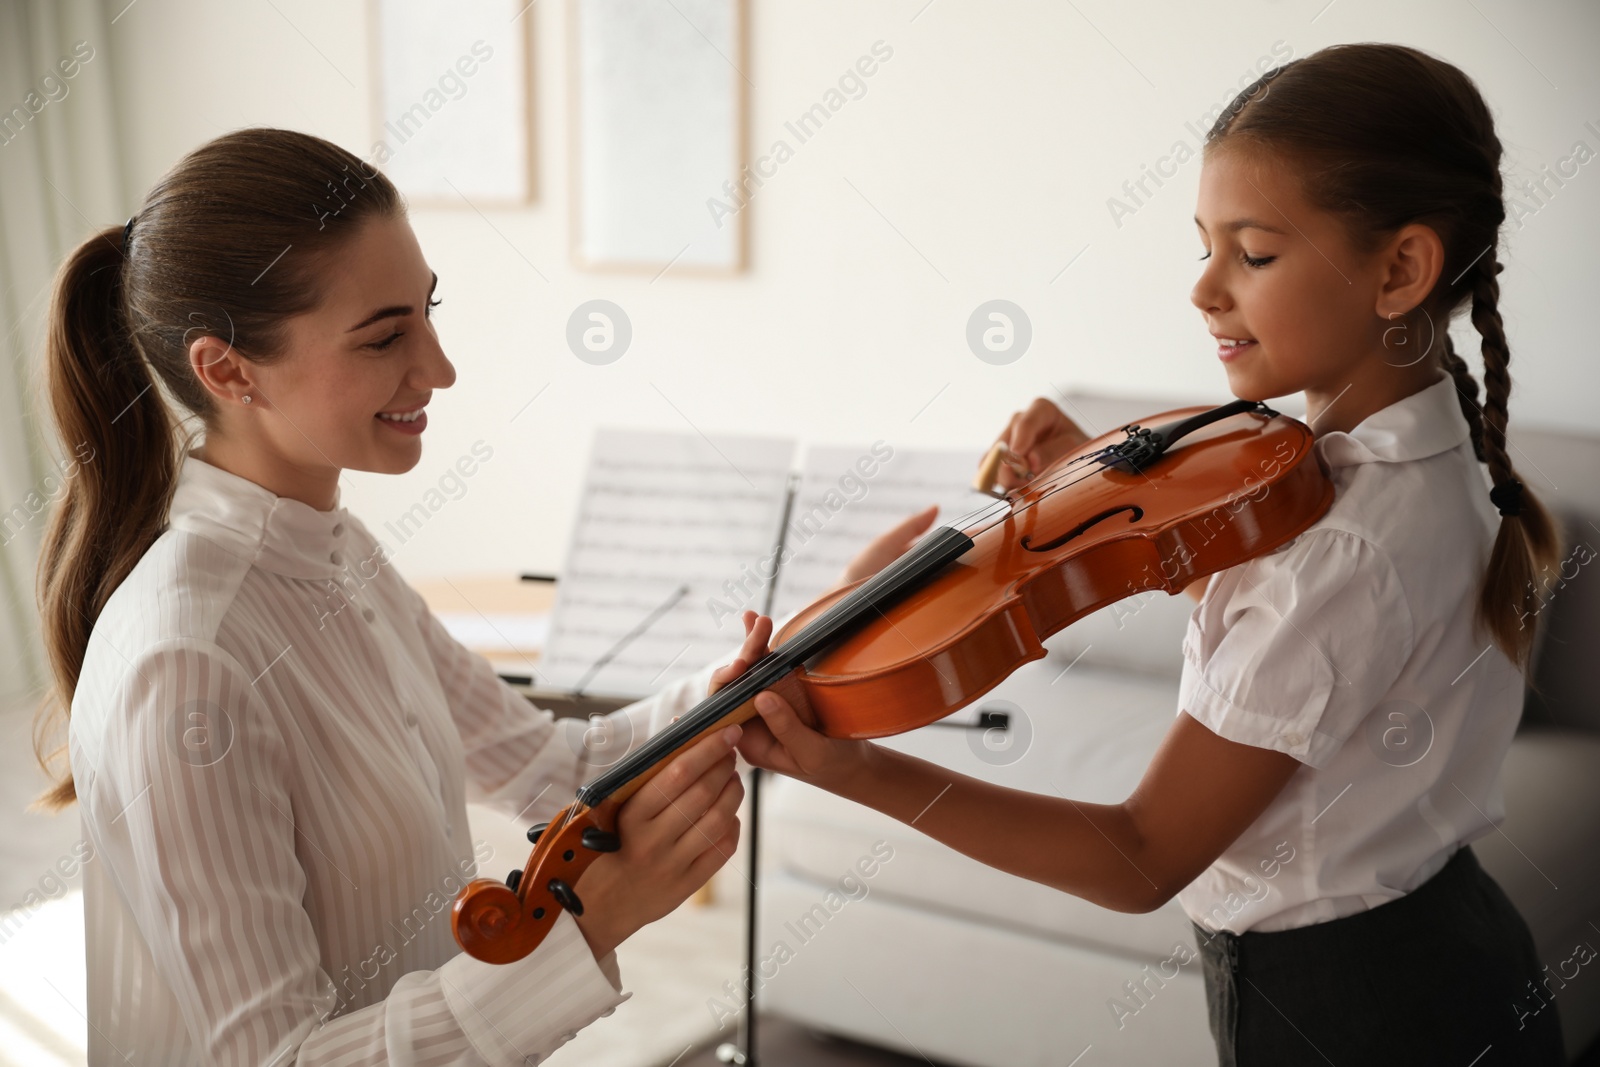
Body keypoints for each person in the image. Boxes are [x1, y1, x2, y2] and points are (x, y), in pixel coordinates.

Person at [718, 43, 1566, 1065]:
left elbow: (1139, 856)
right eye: (1202, 245)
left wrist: (854, 768)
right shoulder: (1424, 464)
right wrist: (1099, 477)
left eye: (1251, 253)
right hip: (1456, 948)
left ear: (1399, 269)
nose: (1204, 288)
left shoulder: (1341, 548)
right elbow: (1308, 633)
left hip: (1349, 1013)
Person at [30, 127, 744, 1066]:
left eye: (427, 313)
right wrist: (583, 930)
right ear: (226, 370)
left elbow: (554, 762)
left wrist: (776, 664)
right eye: (385, 337)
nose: (440, 369)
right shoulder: (187, 660)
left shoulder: (336, 554)